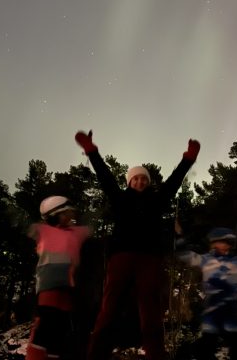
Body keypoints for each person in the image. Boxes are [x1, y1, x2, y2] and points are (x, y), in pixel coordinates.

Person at [74, 130, 200, 360]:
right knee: (109, 308)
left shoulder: (157, 200)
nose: (140, 181)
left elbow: (173, 182)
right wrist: (92, 152)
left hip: (149, 259)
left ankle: (156, 354)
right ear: (129, 181)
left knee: (150, 311)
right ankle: (95, 354)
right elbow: (105, 176)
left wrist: (188, 160)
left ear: (148, 182)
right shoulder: (120, 198)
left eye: (144, 178)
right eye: (136, 178)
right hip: (121, 258)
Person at [174, 224, 237, 360]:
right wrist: (179, 236)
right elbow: (184, 255)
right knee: (205, 351)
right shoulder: (206, 260)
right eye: (222, 241)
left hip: (232, 315)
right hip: (212, 315)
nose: (226, 245)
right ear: (214, 243)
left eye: (228, 242)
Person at [26, 195, 90, 360]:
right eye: (66, 214)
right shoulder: (44, 231)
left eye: (71, 213)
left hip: (67, 287)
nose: (70, 217)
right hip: (49, 285)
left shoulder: (75, 233)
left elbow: (91, 227)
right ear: (54, 216)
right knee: (46, 325)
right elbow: (24, 223)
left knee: (60, 330)